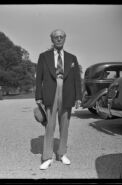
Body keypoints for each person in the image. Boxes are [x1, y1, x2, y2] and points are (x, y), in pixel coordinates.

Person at [35, 29, 82, 170]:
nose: (59, 39)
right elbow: (39, 78)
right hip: (50, 92)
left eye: (61, 37)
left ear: (65, 38)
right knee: (50, 126)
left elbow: (77, 79)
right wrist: (38, 96)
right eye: (56, 37)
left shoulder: (72, 57)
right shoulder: (43, 56)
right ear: (52, 39)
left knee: (65, 126)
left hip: (67, 92)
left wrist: (78, 97)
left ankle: (62, 154)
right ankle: (47, 157)